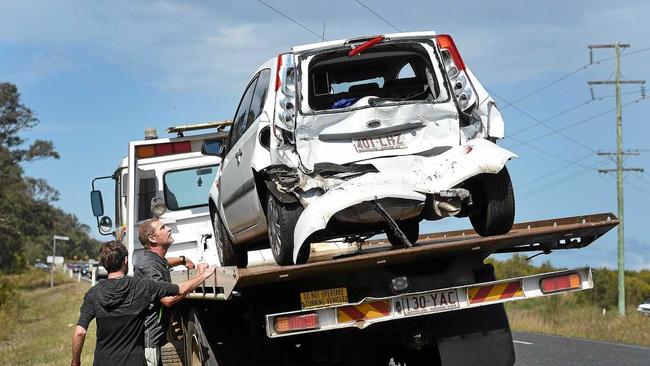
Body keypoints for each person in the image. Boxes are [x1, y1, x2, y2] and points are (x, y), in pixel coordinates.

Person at [70, 241, 215, 366]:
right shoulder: (142, 286)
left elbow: (80, 332)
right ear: (125, 260)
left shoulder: (93, 294)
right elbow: (179, 290)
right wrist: (203, 275)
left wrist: (75, 362)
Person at [134, 218, 204, 366]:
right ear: (152, 239)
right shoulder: (149, 265)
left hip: (154, 341)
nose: (169, 229)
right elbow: (168, 300)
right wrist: (202, 276)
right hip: (149, 345)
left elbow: (164, 263)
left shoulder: (153, 259)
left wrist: (182, 259)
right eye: (163, 228)